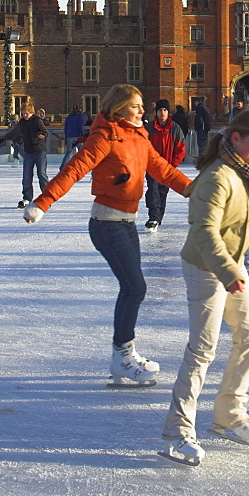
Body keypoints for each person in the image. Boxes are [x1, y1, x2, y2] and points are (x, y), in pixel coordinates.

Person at [22, 84, 192, 386]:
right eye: (136, 106)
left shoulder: (140, 136)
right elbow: (74, 169)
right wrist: (43, 202)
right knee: (135, 288)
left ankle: (123, 356)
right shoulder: (105, 137)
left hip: (127, 222)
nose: (143, 111)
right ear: (118, 108)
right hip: (106, 224)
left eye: (143, 106)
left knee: (132, 288)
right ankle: (122, 357)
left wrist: (197, 192)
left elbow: (163, 170)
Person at [160, 109, 249, 466]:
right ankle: (177, 431)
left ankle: (229, 413)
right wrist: (228, 271)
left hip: (231, 265)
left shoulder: (244, 173)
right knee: (202, 350)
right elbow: (205, 231)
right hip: (205, 267)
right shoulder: (216, 177)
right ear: (235, 139)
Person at [144, 98, 187, 231]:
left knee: (162, 193)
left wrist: (173, 164)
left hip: (167, 168)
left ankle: (158, 218)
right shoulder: (149, 128)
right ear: (156, 112)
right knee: (153, 191)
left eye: (165, 110)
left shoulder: (175, 128)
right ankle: (153, 217)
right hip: (153, 167)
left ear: (168, 112)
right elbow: (142, 146)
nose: (162, 113)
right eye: (160, 110)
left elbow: (181, 148)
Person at [0, 104, 48, 207]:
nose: (24, 115)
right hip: (28, 152)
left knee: (41, 174)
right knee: (26, 176)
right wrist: (0, 141)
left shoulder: (37, 120)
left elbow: (45, 132)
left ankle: (47, 197)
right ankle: (27, 198)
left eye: (26, 113)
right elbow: (13, 133)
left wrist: (43, 135)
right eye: (23, 113)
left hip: (39, 151)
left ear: (31, 112)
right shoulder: (22, 123)